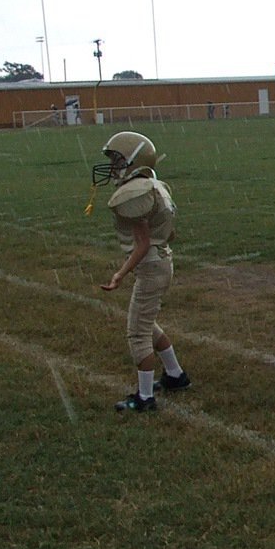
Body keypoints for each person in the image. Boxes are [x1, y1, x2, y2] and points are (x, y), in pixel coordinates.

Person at [90, 131, 190, 412]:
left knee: (137, 333)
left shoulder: (136, 193)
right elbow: (169, 233)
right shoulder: (155, 186)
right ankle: (175, 374)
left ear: (134, 160)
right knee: (147, 323)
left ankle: (145, 398)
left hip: (151, 265)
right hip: (162, 262)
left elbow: (143, 243)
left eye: (118, 160)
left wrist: (120, 274)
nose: (113, 167)